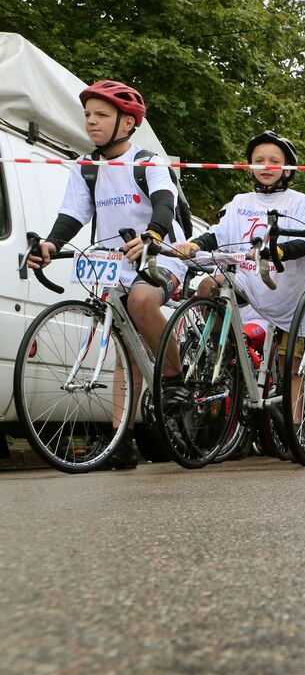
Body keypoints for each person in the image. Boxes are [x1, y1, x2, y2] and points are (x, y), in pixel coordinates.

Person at [26, 79, 190, 468]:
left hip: (159, 253)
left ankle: (173, 379)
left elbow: (164, 204)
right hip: (114, 259)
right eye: (87, 115)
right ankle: (120, 440)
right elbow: (72, 215)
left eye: (101, 115)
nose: (91, 122)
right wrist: (50, 243)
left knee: (140, 300)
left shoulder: (147, 161)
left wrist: (153, 235)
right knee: (123, 352)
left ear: (129, 122)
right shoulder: (86, 167)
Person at [172, 131, 305, 426]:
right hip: (248, 286)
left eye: (273, 161)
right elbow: (218, 233)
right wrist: (195, 244)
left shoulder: (299, 201)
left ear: (287, 168)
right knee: (207, 285)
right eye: (258, 160)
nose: (265, 166)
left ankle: (295, 426)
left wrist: (275, 250)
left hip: (285, 293)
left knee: (290, 365)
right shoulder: (239, 201)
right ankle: (221, 353)